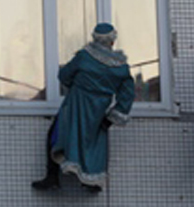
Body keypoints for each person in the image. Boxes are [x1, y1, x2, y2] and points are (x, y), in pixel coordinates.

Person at [32, 23, 135, 193]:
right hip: (99, 110)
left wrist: (76, 86)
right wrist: (110, 119)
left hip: (75, 104)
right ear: (112, 41)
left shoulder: (84, 57)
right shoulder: (121, 67)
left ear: (94, 38)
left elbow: (64, 75)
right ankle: (91, 182)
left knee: (57, 134)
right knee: (93, 143)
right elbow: (127, 95)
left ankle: (52, 177)